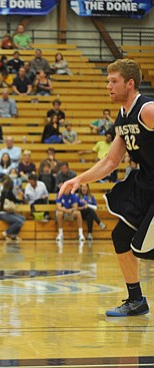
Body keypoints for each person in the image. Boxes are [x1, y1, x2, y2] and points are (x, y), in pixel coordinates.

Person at [60, 59, 154, 317]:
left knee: (144, 247)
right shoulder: (123, 117)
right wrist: (79, 179)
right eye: (107, 81)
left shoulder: (147, 109)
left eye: (114, 81)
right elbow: (112, 161)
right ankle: (136, 300)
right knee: (121, 237)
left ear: (130, 83)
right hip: (146, 183)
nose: (108, 86)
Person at [0, 176, 25, 240]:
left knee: (22, 218)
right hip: (3, 213)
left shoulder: (3, 192)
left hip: (7, 213)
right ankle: (6, 232)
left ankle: (13, 235)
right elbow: (15, 200)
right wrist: (23, 200)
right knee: (20, 222)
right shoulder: (9, 192)